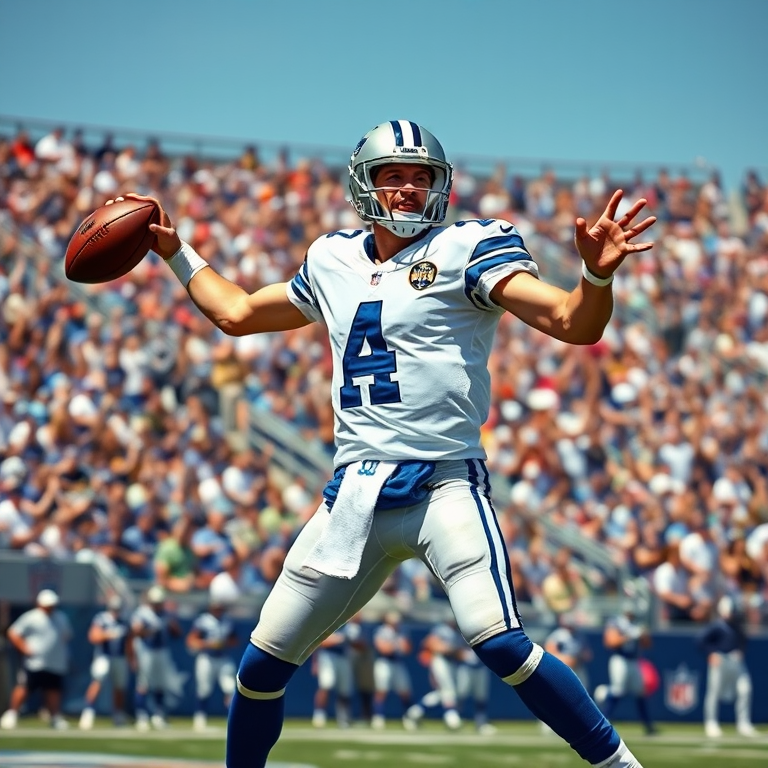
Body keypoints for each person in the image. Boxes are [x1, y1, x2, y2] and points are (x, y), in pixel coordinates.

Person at [114, 118, 656, 768]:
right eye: (392, 175)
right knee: (260, 667)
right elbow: (234, 313)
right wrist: (176, 254)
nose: (406, 188)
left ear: (440, 185)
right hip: (353, 497)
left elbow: (572, 325)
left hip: (442, 486)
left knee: (501, 643)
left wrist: (595, 280)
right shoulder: (332, 259)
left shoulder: (471, 245)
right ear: (365, 185)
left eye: (419, 176)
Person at [0, 589, 73, 730]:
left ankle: (55, 717)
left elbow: (66, 637)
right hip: (35, 662)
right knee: (25, 687)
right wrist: (24, 648)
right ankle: (12, 714)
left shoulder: (61, 617)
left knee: (53, 690)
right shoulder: (31, 617)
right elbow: (13, 633)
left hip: (55, 662)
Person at [698, 595, 758, 738]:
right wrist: (711, 653)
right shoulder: (716, 626)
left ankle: (743, 724)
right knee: (714, 692)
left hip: (735, 661)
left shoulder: (738, 627)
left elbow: (744, 640)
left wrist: (740, 652)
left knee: (745, 689)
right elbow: (700, 640)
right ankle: (711, 723)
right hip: (720, 660)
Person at [595, 603, 657, 736]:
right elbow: (610, 642)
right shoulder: (616, 623)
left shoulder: (638, 623)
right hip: (620, 659)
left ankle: (648, 725)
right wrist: (629, 636)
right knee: (618, 690)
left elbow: (648, 645)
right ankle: (604, 719)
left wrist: (643, 635)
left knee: (641, 692)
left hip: (634, 661)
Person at [129, 585, 182, 731]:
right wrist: (149, 631)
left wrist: (172, 625)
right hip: (146, 650)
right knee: (143, 684)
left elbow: (177, 633)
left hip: (162, 651)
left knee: (160, 684)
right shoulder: (142, 613)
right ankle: (141, 716)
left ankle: (158, 715)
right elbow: (136, 631)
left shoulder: (166, 614)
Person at [186, 596, 239, 732]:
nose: (218, 610)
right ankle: (199, 718)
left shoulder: (227, 621)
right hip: (206, 658)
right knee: (204, 689)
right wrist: (208, 644)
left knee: (231, 688)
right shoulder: (203, 621)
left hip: (223, 658)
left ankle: (234, 719)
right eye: (216, 608)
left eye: (219, 608)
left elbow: (235, 640)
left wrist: (223, 644)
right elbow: (191, 640)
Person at [78, 594, 132, 729]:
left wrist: (132, 658)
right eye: (114, 608)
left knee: (120, 687)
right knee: (97, 682)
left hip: (120, 657)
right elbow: (93, 637)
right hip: (103, 656)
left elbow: (129, 642)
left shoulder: (124, 621)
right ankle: (88, 712)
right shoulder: (101, 619)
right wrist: (108, 634)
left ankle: (118, 715)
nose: (116, 611)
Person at [404, 619, 463, 731]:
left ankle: (413, 713)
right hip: (440, 660)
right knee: (448, 690)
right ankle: (451, 718)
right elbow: (428, 642)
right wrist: (443, 648)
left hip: (451, 663)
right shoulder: (441, 629)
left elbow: (459, 652)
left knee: (442, 693)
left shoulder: (457, 632)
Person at [310, 621, 363, 729]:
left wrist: (354, 641)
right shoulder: (330, 622)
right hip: (328, 656)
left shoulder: (352, 627)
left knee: (345, 689)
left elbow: (361, 647)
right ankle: (319, 714)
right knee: (326, 684)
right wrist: (341, 638)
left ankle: (343, 718)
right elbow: (322, 642)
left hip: (344, 657)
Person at [371, 610, 413, 729]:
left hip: (398, 662)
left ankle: (408, 718)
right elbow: (383, 649)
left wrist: (394, 645)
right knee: (381, 690)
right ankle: (378, 717)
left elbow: (407, 649)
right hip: (384, 662)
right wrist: (396, 645)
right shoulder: (382, 631)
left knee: (405, 691)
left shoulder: (402, 631)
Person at [456, 644, 496, 735]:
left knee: (481, 697)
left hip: (481, 667)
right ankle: (455, 718)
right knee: (461, 695)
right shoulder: (460, 634)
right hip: (466, 667)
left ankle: (480, 723)